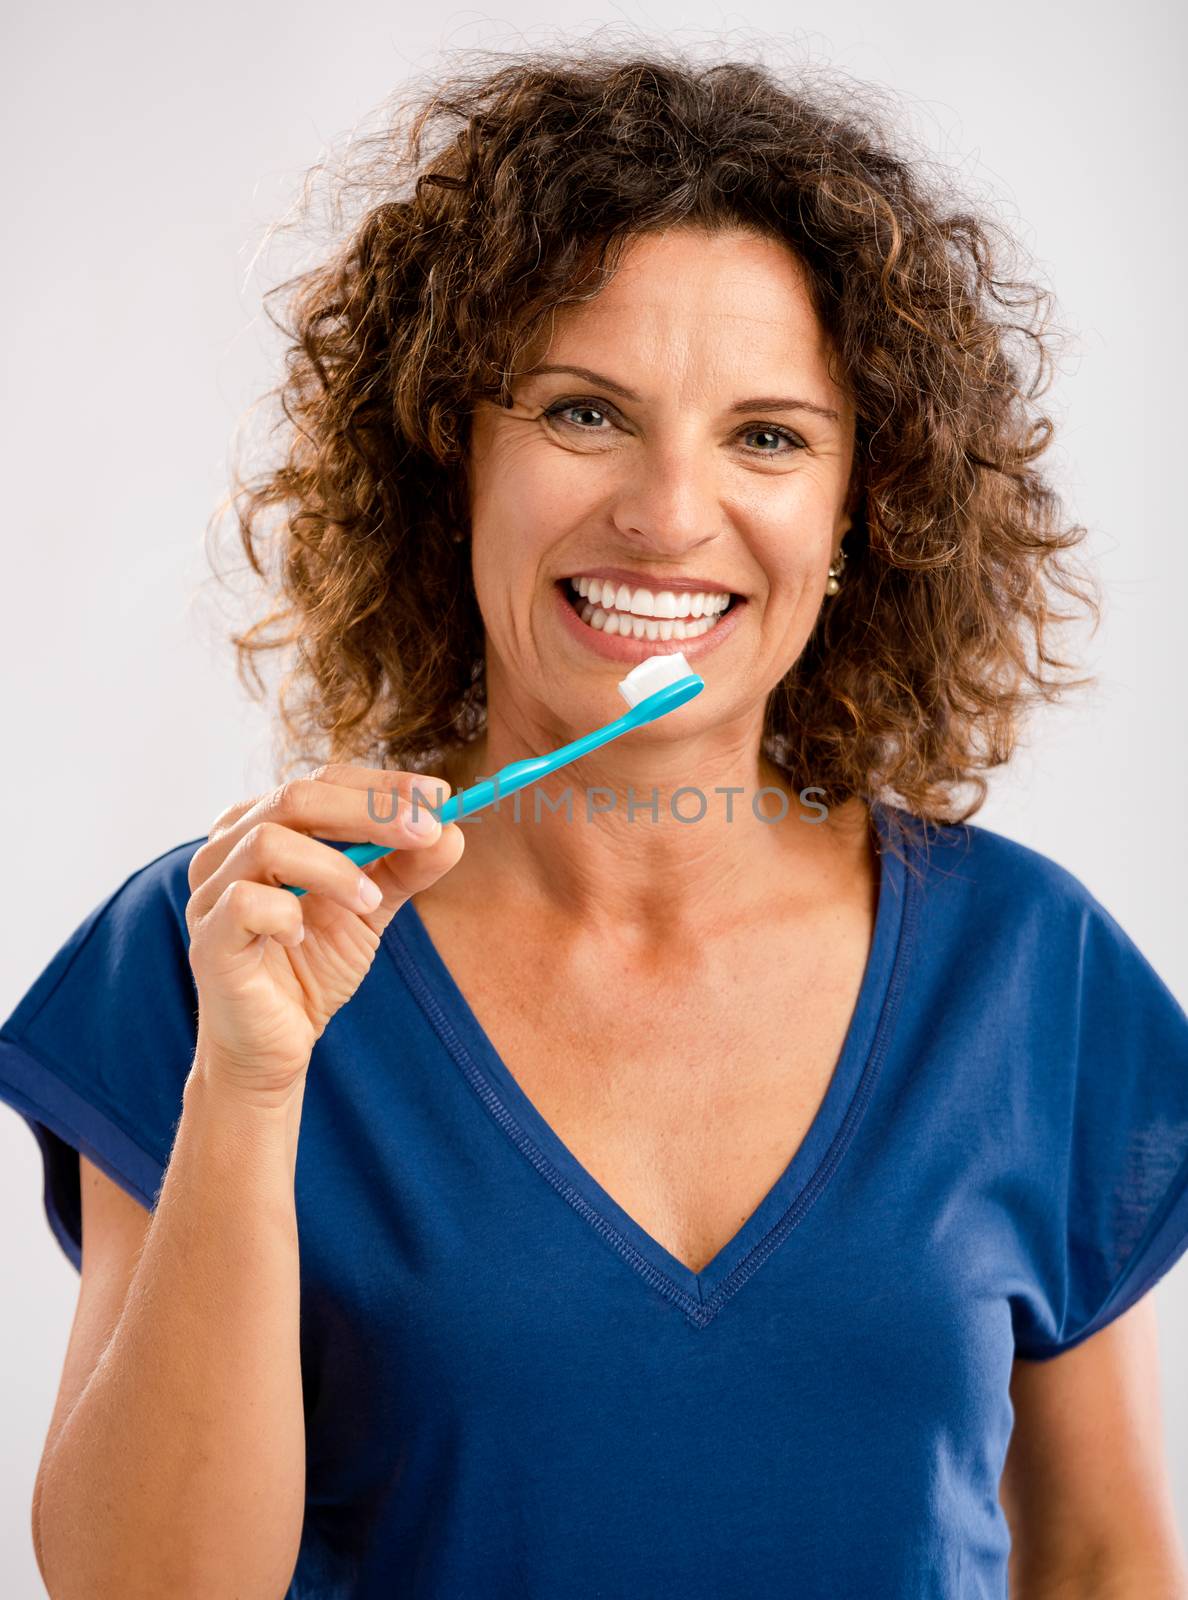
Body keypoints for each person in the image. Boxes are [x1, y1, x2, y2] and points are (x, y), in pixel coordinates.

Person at [2, 44, 1187, 1600]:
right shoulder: (225, 947)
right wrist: (246, 1085)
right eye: (582, 412)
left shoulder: (1034, 973)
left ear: (852, 523)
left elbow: (1103, 1561)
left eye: (768, 436)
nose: (669, 512)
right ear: (453, 465)